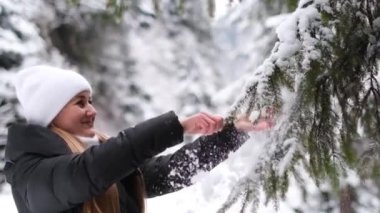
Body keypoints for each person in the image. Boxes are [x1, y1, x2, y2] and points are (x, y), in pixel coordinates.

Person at [4, 65, 273, 213]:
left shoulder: (97, 155)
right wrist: (176, 127)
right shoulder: (31, 173)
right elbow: (89, 172)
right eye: (80, 102)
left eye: (91, 101)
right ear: (52, 111)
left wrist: (234, 132)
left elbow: (168, 172)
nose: (93, 110)